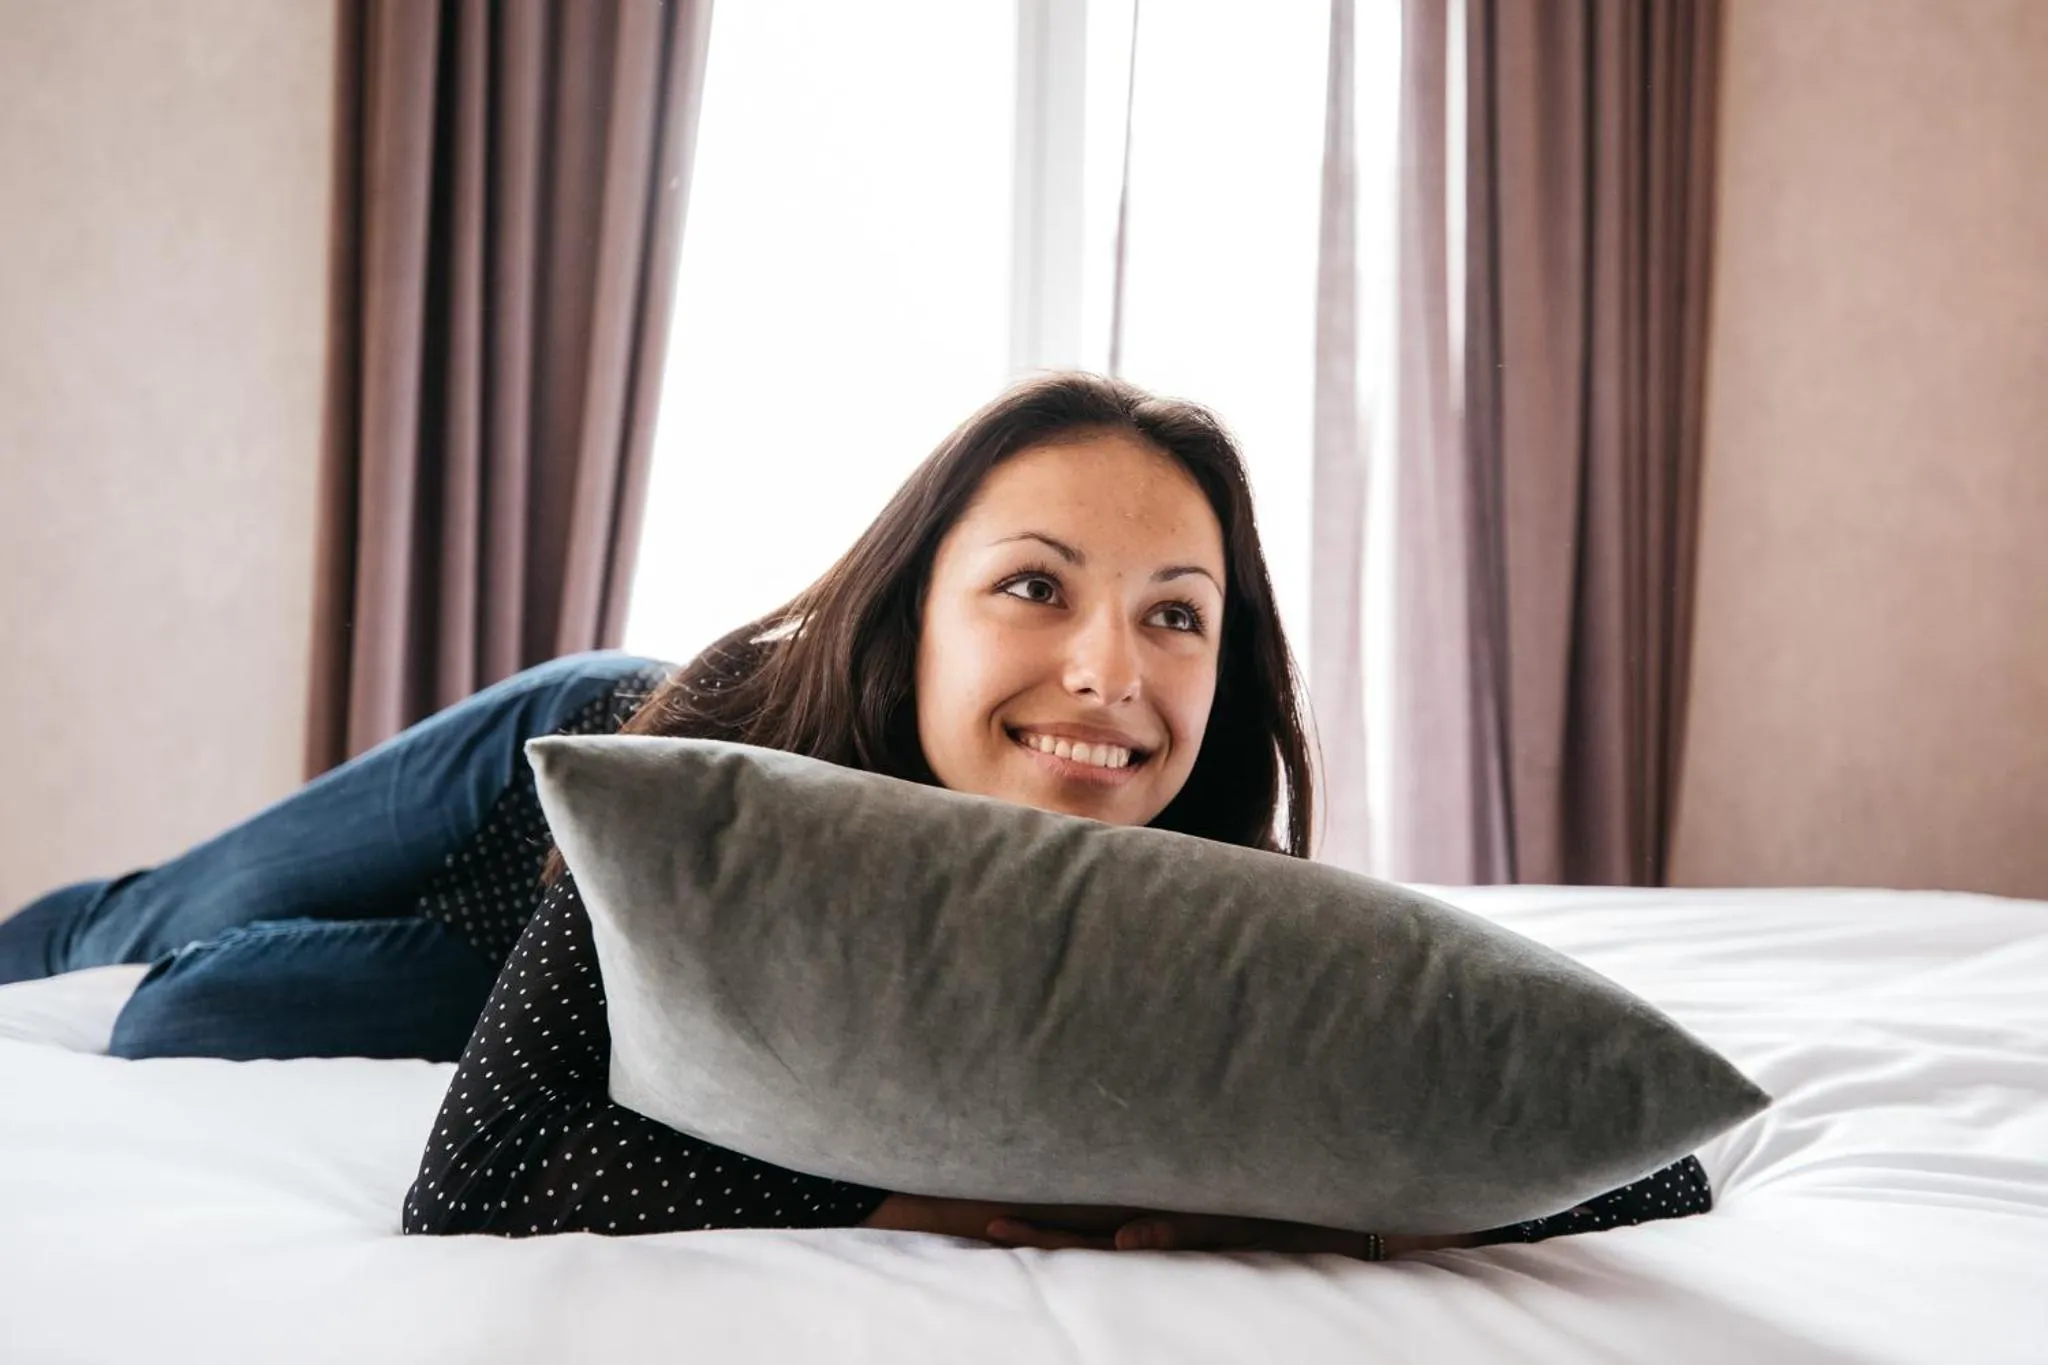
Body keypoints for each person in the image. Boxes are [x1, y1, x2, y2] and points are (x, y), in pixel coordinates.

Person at [0, 373, 1711, 1258]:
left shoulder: (1211, 909)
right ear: (917, 630)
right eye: (1036, 588)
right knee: (154, 947)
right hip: (555, 775)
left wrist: (1295, 1202)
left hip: (540, 980)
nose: (1112, 671)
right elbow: (489, 1189)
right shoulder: (714, 800)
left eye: (1176, 613)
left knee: (213, 1009)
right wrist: (946, 1207)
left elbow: (1649, 1167)